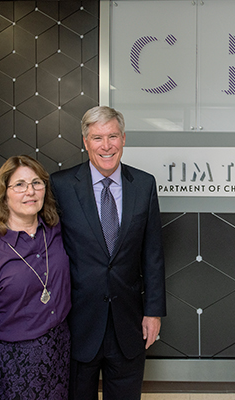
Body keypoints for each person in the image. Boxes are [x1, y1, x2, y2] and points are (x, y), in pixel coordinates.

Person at [50, 105, 166, 400]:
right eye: (98, 138)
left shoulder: (144, 184)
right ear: (85, 142)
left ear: (123, 139)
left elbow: (152, 253)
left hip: (128, 322)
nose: (106, 146)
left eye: (112, 136)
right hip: (77, 322)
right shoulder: (61, 186)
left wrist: (153, 312)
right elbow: (49, 251)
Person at [0, 155, 71, 400]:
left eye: (36, 183)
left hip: (60, 359)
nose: (30, 191)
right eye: (19, 185)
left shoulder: (57, 233)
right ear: (4, 194)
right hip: (13, 370)